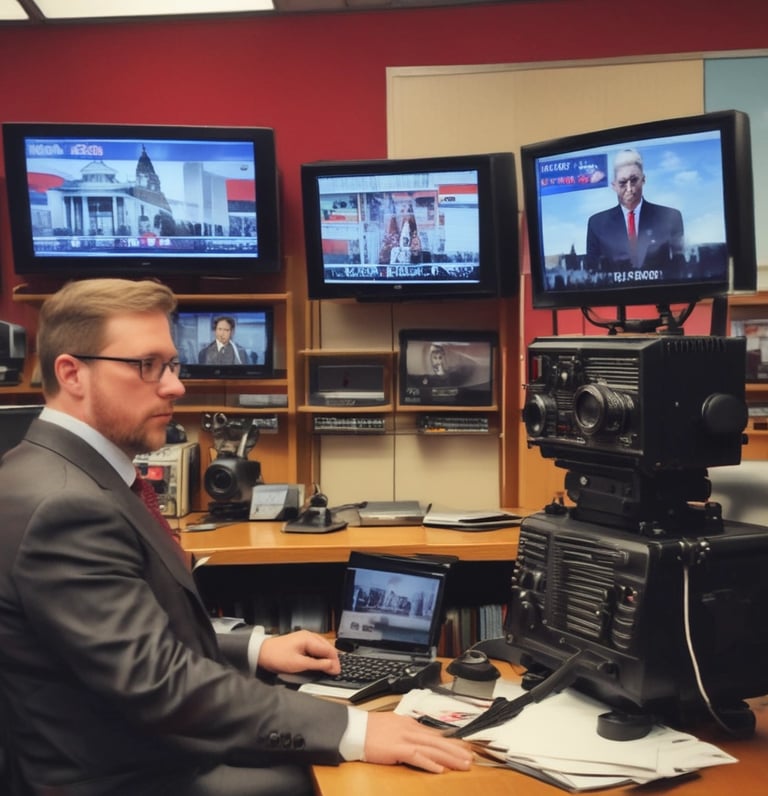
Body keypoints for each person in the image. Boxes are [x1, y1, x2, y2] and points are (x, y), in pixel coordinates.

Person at [0, 278, 473, 795]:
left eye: (172, 365)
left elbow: (122, 639)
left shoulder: (44, 470)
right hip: (120, 775)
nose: (175, 386)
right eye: (147, 365)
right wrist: (353, 730)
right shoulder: (66, 506)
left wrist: (255, 649)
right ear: (72, 373)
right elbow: (159, 681)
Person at [585, 148, 685, 274]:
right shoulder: (596, 223)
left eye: (634, 180)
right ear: (614, 186)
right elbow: (592, 272)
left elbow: (680, 268)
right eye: (622, 183)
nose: (629, 189)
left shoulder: (671, 217)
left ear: (643, 179)